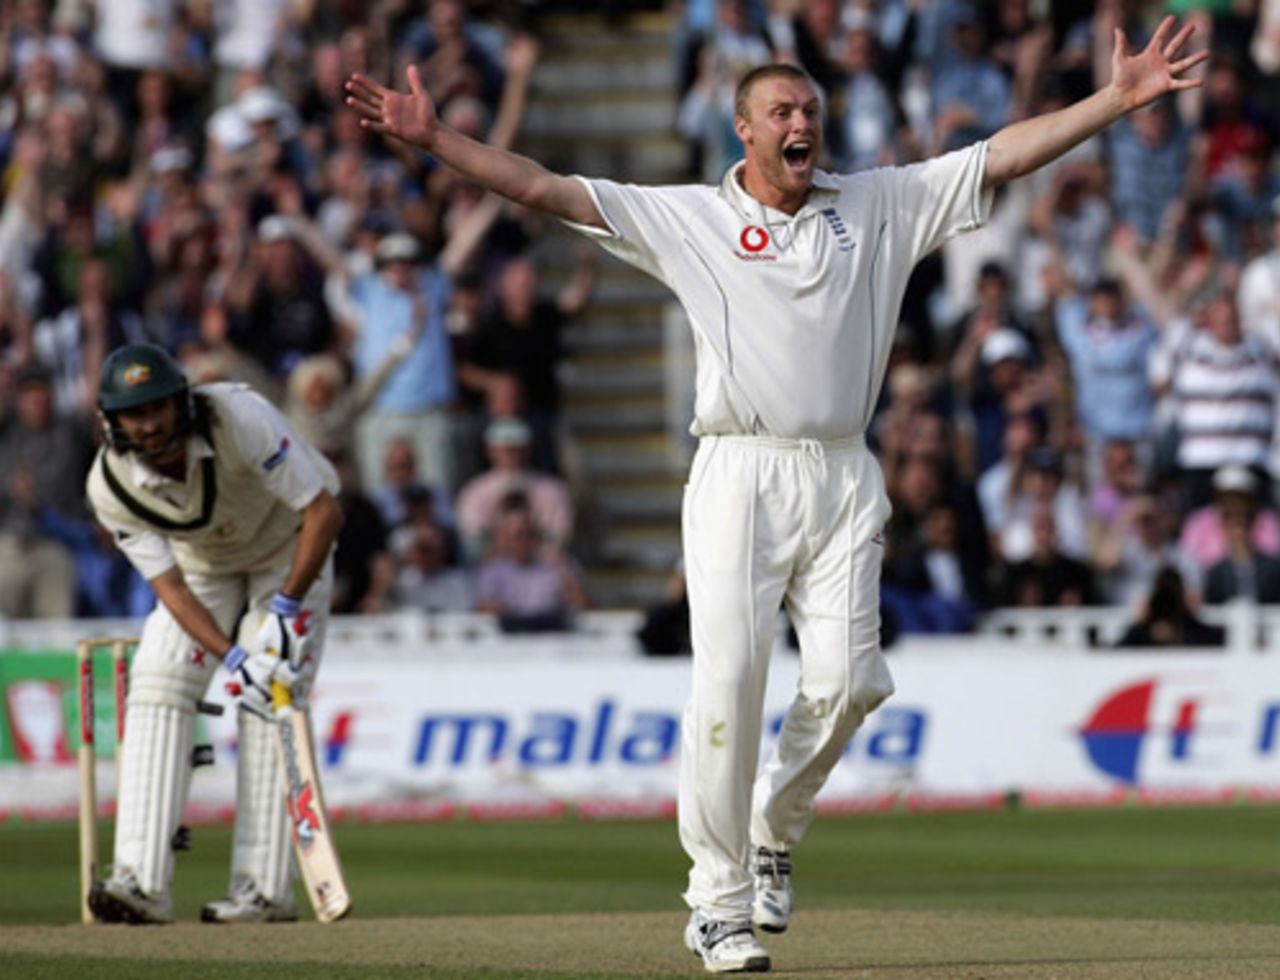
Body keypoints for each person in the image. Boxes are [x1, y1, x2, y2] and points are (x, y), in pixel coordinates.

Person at [346, 19, 1207, 972]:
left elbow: (999, 155)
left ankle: (771, 830)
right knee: (728, 687)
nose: (802, 122)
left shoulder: (878, 203)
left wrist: (1114, 102)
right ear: (743, 129)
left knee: (850, 684)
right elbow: (546, 187)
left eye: (812, 110)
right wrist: (435, 142)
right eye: (781, 111)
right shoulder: (692, 218)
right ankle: (715, 904)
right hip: (738, 473)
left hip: (842, 469)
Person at [83, 343, 344, 925]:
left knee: (271, 692)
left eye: (158, 408)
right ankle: (140, 883)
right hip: (203, 566)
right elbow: (171, 588)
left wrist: (284, 610)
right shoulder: (110, 488)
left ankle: (263, 891)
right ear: (113, 421)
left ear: (180, 402)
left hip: (288, 549)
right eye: (134, 414)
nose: (149, 425)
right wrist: (230, 657)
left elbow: (324, 513)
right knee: (156, 678)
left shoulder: (237, 417)